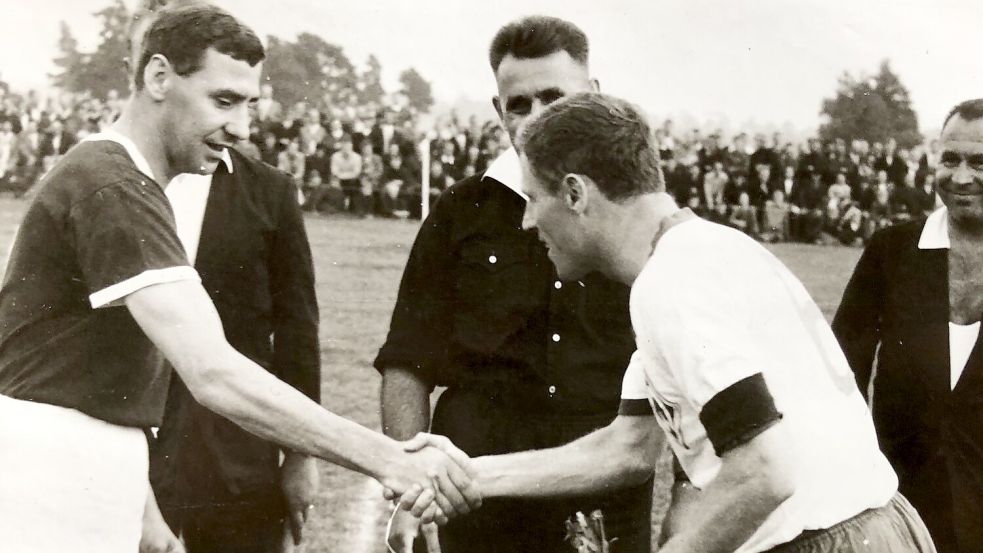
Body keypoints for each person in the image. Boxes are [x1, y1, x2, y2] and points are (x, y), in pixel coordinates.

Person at [0, 6, 476, 553]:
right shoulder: (111, 186)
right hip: (53, 476)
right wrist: (388, 459)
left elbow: (88, 369)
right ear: (158, 77)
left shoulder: (116, 179)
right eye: (223, 100)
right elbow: (214, 372)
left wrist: (146, 513)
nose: (242, 127)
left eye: (250, 104)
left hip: (84, 466)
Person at [400, 92, 937, 553]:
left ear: (574, 193)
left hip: (829, 539)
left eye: (534, 198)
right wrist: (471, 474)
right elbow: (627, 448)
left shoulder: (674, 280)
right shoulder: (697, 252)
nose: (527, 219)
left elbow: (765, 471)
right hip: (868, 526)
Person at [376, 17, 652, 553]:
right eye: (519, 103)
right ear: (499, 111)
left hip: (600, 489)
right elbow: (407, 361)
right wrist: (411, 489)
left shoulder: (637, 216)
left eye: (554, 96)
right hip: (474, 494)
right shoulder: (460, 211)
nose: (537, 117)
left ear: (593, 95)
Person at [832, 98, 983, 553]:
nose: (961, 177)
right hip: (902, 502)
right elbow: (842, 369)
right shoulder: (892, 250)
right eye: (949, 159)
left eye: (980, 162)